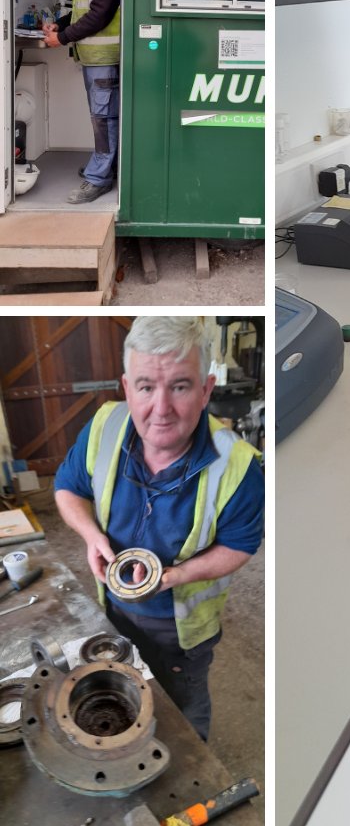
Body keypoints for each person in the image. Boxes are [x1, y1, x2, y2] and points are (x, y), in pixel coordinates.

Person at [54, 317, 263, 741]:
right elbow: (67, 489)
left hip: (182, 635)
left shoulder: (239, 466)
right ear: (127, 387)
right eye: (146, 387)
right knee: (124, 703)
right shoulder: (105, 427)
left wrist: (177, 576)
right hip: (113, 610)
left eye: (180, 386)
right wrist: (93, 536)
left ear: (206, 389)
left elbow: (240, 545)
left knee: (185, 721)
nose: (161, 408)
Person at [42, 0, 122, 204]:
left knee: (104, 120)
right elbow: (80, 12)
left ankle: (99, 178)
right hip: (93, 59)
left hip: (104, 59)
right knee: (102, 117)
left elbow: (99, 15)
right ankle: (104, 165)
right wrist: (59, 25)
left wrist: (62, 39)